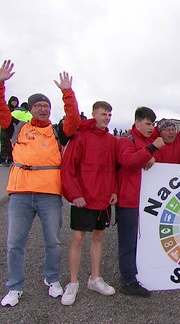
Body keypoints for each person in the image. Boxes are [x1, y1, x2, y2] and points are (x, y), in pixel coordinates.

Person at [0, 60, 81, 307]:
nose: (43, 109)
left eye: (46, 106)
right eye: (38, 105)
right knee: (15, 243)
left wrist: (67, 93)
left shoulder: (58, 131)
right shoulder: (16, 128)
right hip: (20, 193)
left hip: (49, 194)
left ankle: (52, 280)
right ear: (30, 109)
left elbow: (73, 119)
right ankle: (14, 287)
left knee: (54, 241)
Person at [60, 101, 118, 306]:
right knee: (77, 237)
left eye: (110, 115)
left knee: (99, 236)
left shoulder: (112, 140)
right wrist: (74, 194)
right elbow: (68, 168)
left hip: (103, 198)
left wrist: (114, 190)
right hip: (83, 197)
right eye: (103, 114)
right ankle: (73, 282)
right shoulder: (80, 136)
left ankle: (95, 278)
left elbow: (115, 168)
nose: (107, 118)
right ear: (94, 113)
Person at [115, 107, 164, 296]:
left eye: (153, 124)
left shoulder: (148, 141)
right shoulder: (127, 140)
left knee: (145, 239)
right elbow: (129, 161)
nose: (151, 127)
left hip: (148, 200)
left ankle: (142, 272)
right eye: (147, 123)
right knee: (128, 241)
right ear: (137, 123)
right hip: (129, 199)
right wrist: (151, 150)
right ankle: (128, 280)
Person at [153, 94, 180, 164]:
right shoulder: (152, 143)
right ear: (160, 132)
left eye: (173, 129)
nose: (171, 132)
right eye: (167, 130)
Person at [0, 96, 19, 166]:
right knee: (5, 145)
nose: (14, 103)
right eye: (13, 101)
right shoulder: (7, 109)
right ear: (10, 102)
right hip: (5, 129)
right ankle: (2, 160)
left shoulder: (17, 110)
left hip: (13, 130)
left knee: (12, 146)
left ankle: (10, 160)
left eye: (15, 102)